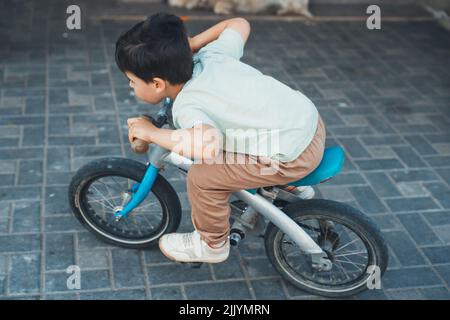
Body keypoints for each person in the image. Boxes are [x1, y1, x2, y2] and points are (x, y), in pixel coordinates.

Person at [116, 12, 326, 263]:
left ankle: (211, 244)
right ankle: (289, 188)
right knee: (233, 139)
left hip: (292, 157)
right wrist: (193, 44)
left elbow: (205, 147)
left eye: (132, 80)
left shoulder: (188, 106)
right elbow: (238, 23)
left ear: (158, 84)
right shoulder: (211, 55)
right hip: (309, 123)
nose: (130, 86)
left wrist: (151, 132)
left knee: (203, 176)